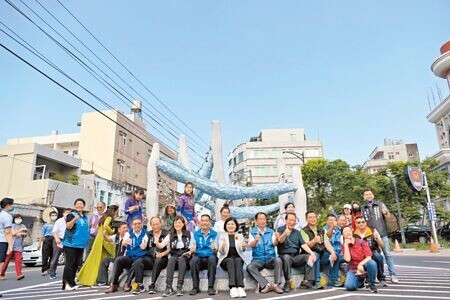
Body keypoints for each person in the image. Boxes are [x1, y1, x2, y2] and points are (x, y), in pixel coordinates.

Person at [361, 188, 399, 284]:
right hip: (370, 236)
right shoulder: (363, 208)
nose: (368, 196)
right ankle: (376, 275)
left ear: (373, 195)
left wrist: (386, 212)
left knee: (387, 254)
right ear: (364, 197)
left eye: (370, 194)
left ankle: (393, 275)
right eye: (366, 194)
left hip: (382, 233)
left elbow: (388, 216)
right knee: (373, 255)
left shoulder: (380, 204)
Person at [105, 217, 149, 294]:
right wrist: (125, 242)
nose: (137, 225)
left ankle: (127, 284)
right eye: (135, 224)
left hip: (140, 257)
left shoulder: (145, 233)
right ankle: (113, 284)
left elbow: (145, 242)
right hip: (130, 256)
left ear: (141, 224)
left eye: (139, 224)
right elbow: (124, 241)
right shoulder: (129, 233)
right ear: (132, 225)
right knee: (119, 259)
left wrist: (144, 245)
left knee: (137, 262)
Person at [77, 205, 118, 286]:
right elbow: (106, 226)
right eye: (116, 211)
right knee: (102, 259)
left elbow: (98, 227)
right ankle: (98, 279)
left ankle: (87, 277)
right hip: (103, 239)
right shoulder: (109, 218)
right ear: (114, 211)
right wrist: (113, 231)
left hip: (98, 238)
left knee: (94, 259)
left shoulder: (103, 217)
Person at [127, 216, 169, 295]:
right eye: (153, 224)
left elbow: (170, 248)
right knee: (138, 261)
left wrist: (162, 254)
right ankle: (139, 285)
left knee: (158, 261)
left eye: (157, 224)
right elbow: (144, 242)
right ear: (151, 225)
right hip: (150, 258)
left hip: (162, 258)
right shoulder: (148, 234)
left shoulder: (166, 233)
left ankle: (152, 284)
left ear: (161, 224)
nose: (155, 226)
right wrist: (143, 245)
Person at [276, 212, 316, 293]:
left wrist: (311, 253)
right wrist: (285, 234)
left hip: (295, 257)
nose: (292, 222)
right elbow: (279, 240)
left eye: (294, 221)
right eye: (290, 220)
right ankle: (288, 282)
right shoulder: (280, 229)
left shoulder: (297, 232)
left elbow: (303, 244)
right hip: (284, 256)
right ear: (286, 220)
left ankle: (306, 281)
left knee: (309, 257)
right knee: (286, 257)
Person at [247, 212, 283, 294]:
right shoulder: (252, 232)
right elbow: (251, 246)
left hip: (270, 258)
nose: (262, 221)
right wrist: (256, 240)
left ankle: (276, 285)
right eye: (260, 219)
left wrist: (277, 239)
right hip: (258, 259)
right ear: (256, 221)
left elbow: (274, 244)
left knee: (278, 260)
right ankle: (266, 285)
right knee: (250, 267)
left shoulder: (271, 232)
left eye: (264, 219)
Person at [300, 211, 337, 289]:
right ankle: (317, 280)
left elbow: (326, 242)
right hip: (310, 255)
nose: (313, 219)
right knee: (315, 255)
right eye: (310, 217)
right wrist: (314, 241)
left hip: (321, 253)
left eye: (314, 217)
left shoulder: (321, 230)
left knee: (336, 255)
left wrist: (333, 252)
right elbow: (306, 245)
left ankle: (333, 279)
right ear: (306, 219)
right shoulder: (304, 231)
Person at [62, 198, 90, 291]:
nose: (79, 205)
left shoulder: (85, 218)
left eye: (81, 204)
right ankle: (66, 284)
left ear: (84, 206)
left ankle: (72, 282)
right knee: (69, 264)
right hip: (70, 244)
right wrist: (74, 219)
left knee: (75, 264)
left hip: (80, 244)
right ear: (75, 206)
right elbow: (68, 226)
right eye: (77, 204)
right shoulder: (71, 215)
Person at [342, 226, 378, 293]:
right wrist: (346, 245)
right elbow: (347, 259)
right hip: (353, 269)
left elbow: (369, 257)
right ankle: (361, 281)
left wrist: (360, 264)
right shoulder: (344, 245)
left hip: (364, 266)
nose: (348, 233)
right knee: (349, 286)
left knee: (372, 263)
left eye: (349, 231)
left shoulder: (361, 242)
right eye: (345, 232)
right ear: (343, 235)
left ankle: (371, 283)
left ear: (352, 232)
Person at [161, 216, 192, 297]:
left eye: (179, 222)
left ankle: (179, 285)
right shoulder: (170, 234)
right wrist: (157, 242)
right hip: (175, 254)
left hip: (185, 254)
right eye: (175, 223)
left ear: (183, 224)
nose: (177, 224)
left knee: (182, 259)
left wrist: (190, 251)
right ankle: (168, 287)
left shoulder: (189, 233)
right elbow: (162, 245)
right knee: (171, 260)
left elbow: (193, 246)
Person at [353, 216, 388, 287]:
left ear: (366, 223)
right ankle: (365, 278)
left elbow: (382, 245)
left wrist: (377, 238)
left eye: (363, 222)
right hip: (361, 256)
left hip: (372, 253)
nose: (361, 224)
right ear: (356, 224)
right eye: (359, 222)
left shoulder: (372, 231)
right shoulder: (354, 235)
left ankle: (381, 278)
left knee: (378, 256)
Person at [189, 214, 218, 296]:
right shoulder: (195, 234)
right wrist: (192, 250)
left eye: (206, 221)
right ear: (200, 222)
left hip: (210, 257)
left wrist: (215, 249)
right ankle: (195, 287)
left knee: (213, 259)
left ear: (209, 222)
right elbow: (192, 248)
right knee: (193, 260)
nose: (204, 222)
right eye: (202, 220)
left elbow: (217, 251)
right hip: (199, 257)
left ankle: (211, 287)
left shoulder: (215, 234)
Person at [218, 217, 247, 298]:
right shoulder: (222, 236)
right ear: (226, 226)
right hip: (225, 259)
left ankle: (240, 287)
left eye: (232, 224)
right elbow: (221, 251)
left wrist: (244, 246)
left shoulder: (239, 236)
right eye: (228, 224)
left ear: (236, 226)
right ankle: (233, 287)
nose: (230, 226)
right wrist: (223, 244)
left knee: (238, 260)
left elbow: (242, 250)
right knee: (230, 260)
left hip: (237, 258)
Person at [96, 222, 128, 286]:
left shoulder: (129, 236)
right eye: (123, 228)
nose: (125, 229)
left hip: (125, 259)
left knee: (117, 261)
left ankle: (114, 282)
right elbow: (108, 239)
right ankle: (103, 281)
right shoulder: (116, 236)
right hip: (117, 258)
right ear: (119, 230)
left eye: (126, 228)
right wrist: (104, 235)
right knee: (105, 261)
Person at [0, 214, 27, 280]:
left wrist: (21, 233)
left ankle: (19, 275)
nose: (18, 220)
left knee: (18, 261)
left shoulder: (23, 226)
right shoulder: (11, 225)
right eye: (17, 218)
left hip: (19, 246)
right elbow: (12, 233)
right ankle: (1, 273)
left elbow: (25, 233)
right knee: (6, 261)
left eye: (20, 218)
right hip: (10, 245)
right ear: (14, 219)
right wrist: (20, 231)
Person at [48, 208, 72, 279]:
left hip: (68, 241)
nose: (67, 214)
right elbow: (54, 231)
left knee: (68, 258)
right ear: (63, 213)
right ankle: (52, 273)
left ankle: (68, 273)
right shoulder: (59, 221)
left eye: (69, 213)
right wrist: (56, 239)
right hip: (59, 240)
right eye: (66, 212)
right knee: (55, 257)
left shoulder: (72, 221)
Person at [324, 214, 346, 287]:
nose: (332, 222)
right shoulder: (323, 230)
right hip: (328, 252)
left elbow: (342, 243)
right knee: (336, 256)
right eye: (330, 220)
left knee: (350, 258)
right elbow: (327, 237)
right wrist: (332, 227)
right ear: (326, 221)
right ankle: (333, 280)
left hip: (340, 253)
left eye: (334, 220)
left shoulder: (339, 231)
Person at [39, 210, 57, 276]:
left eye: (55, 215)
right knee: (45, 255)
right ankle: (44, 269)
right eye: (52, 215)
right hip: (47, 239)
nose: (54, 216)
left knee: (53, 256)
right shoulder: (46, 225)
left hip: (55, 239)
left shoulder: (57, 224)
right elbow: (42, 234)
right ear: (50, 216)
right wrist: (39, 243)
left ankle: (50, 269)